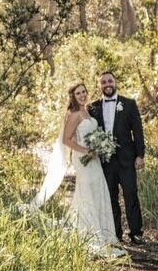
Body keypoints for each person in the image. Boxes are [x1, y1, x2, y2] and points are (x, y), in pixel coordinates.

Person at [55, 83, 123, 257]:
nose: (82, 95)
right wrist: (86, 151)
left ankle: (104, 232)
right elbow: (66, 140)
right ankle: (90, 234)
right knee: (87, 194)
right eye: (78, 93)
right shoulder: (74, 115)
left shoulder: (88, 112)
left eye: (84, 92)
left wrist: (101, 146)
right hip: (83, 159)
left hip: (95, 159)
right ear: (73, 96)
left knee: (98, 191)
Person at [88, 72, 147, 244]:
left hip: (127, 160)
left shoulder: (128, 104)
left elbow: (138, 132)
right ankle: (115, 233)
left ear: (115, 83)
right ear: (100, 85)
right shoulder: (93, 107)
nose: (107, 84)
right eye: (104, 82)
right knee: (110, 198)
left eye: (110, 81)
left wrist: (140, 155)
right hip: (105, 162)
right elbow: (91, 134)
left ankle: (136, 233)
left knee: (131, 195)